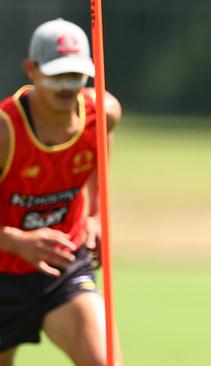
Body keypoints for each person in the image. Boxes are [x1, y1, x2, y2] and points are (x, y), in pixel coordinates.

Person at [0, 18, 122, 366]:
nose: (67, 87)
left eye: (76, 75)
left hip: (64, 267)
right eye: (57, 75)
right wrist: (16, 241)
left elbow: (99, 153)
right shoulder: (4, 131)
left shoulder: (104, 113)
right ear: (31, 70)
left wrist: (96, 215)